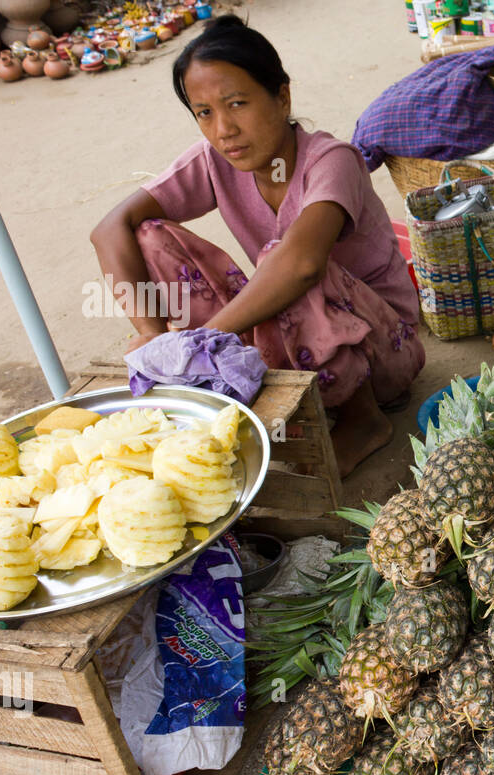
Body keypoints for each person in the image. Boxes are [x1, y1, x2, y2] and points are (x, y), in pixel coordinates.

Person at [90, 15, 424, 477]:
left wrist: (196, 343)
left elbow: (303, 264)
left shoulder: (332, 161)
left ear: (281, 96)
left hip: (383, 349)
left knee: (289, 258)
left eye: (237, 103)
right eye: (204, 112)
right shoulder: (214, 160)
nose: (223, 128)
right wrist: (153, 339)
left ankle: (363, 420)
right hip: (293, 335)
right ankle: (218, 381)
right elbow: (110, 228)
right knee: (149, 233)